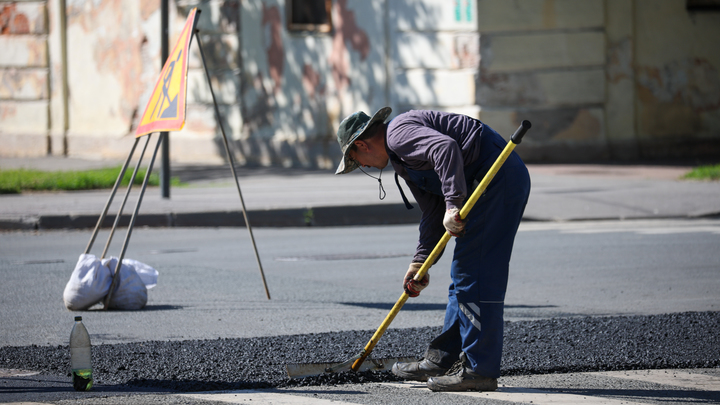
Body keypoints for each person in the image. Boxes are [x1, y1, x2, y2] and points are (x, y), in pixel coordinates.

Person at [334, 107, 531, 392]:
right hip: (481, 187)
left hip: (496, 180)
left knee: (474, 274)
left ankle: (479, 370)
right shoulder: (402, 161)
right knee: (461, 277)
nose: (364, 166)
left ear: (361, 145)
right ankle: (443, 359)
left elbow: (445, 148)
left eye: (357, 161)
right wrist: (420, 263)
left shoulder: (399, 134)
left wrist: (453, 203)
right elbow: (432, 211)